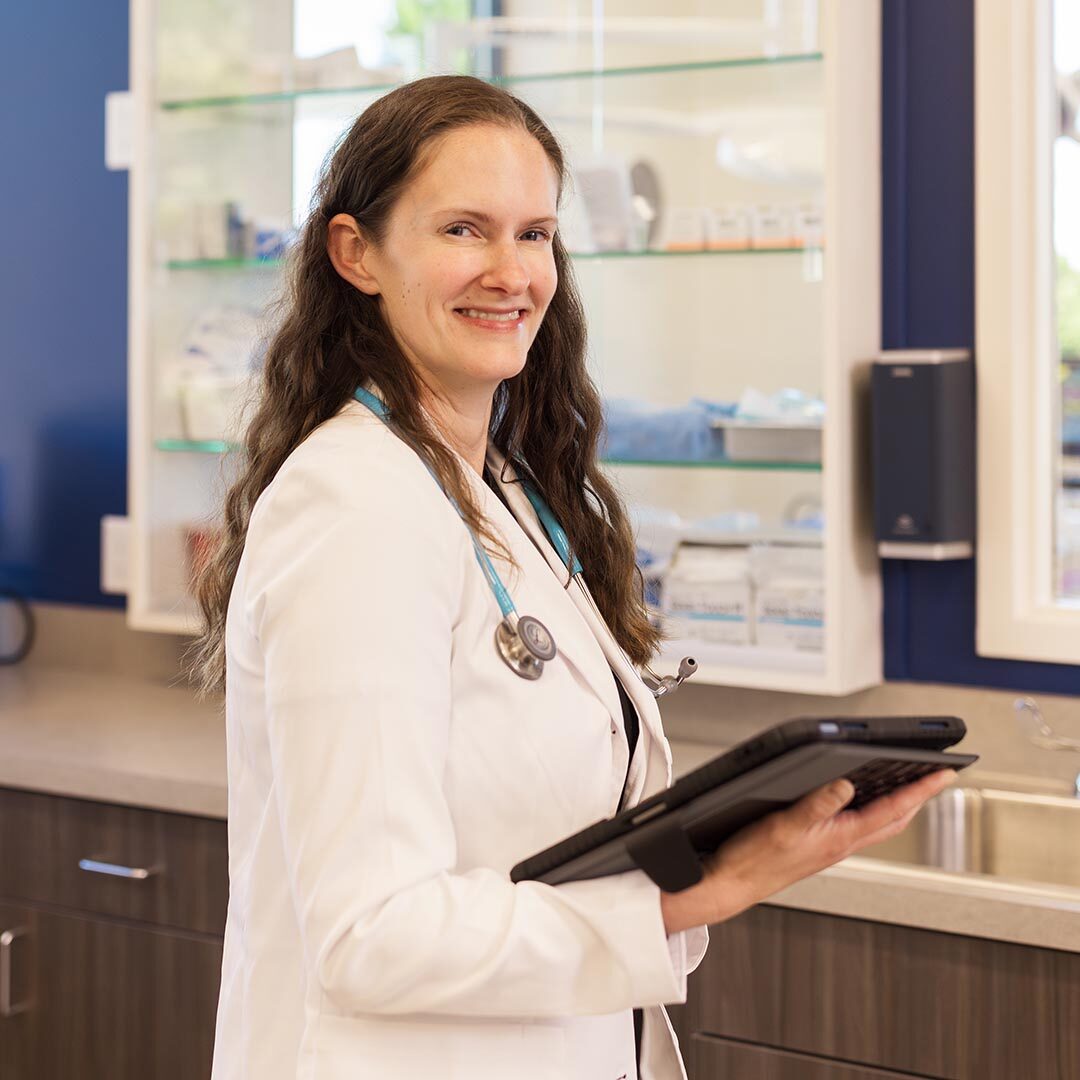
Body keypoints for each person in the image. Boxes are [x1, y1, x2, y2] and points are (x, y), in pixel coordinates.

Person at [189, 74, 955, 1080]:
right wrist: (702, 889)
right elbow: (370, 935)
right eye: (465, 229)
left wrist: (723, 839)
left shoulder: (494, 488)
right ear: (357, 254)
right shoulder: (356, 509)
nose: (512, 273)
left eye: (536, 234)